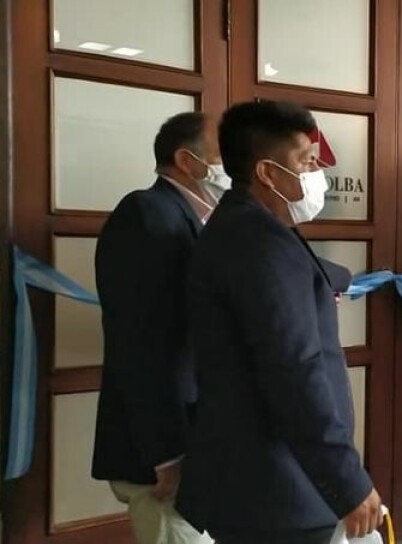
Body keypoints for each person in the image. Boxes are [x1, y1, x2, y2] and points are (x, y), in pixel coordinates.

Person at [175, 100, 381, 544]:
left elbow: (310, 278)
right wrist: (347, 480)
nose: (316, 173)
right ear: (268, 172)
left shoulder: (252, 228)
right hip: (277, 488)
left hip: (262, 482)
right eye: (306, 162)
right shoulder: (260, 244)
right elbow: (294, 371)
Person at [92, 111, 228, 544]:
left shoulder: (204, 221)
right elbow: (143, 343)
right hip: (163, 451)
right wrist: (166, 452)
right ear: (187, 161)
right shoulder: (147, 214)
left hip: (197, 439)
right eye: (225, 153)